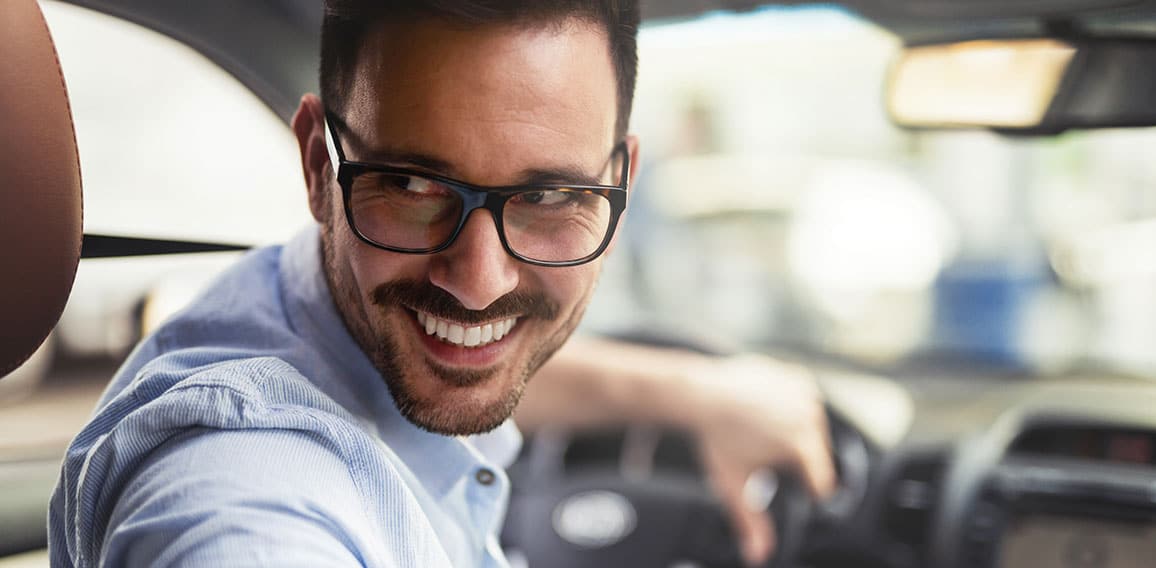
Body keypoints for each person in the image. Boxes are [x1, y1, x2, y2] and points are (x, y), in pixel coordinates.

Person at [49, 2, 833, 566]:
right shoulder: (240, 495)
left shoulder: (315, 298)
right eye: (416, 189)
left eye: (551, 197)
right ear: (319, 167)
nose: (479, 282)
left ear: (619, 180)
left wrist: (697, 396)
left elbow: (461, 359)